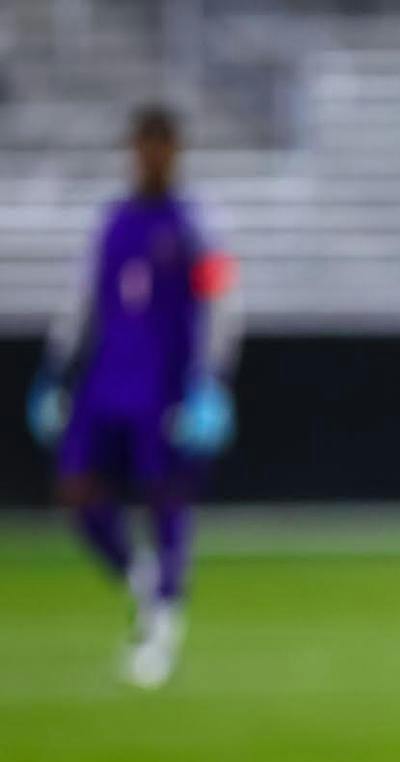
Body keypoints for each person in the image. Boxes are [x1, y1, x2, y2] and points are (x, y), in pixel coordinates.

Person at [26, 104, 241, 688]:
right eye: (142, 145)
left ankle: (162, 625)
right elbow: (82, 301)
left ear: (175, 151)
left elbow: (222, 303)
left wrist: (211, 381)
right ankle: (143, 578)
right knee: (77, 491)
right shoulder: (111, 220)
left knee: (166, 500)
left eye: (160, 144)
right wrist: (55, 370)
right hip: (105, 381)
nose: (150, 156)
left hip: (164, 385)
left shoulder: (199, 224)